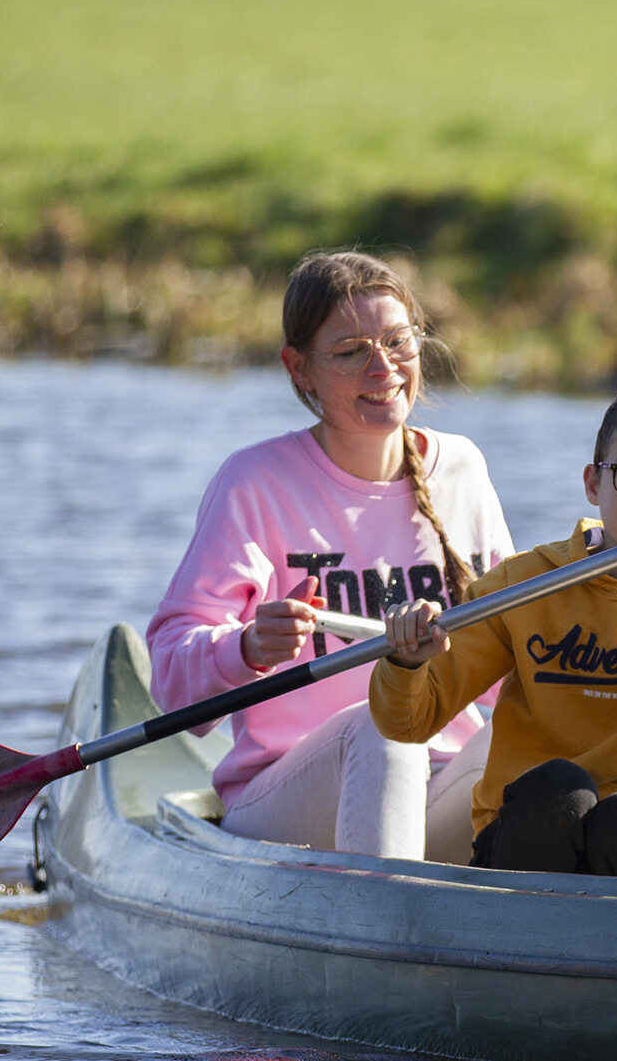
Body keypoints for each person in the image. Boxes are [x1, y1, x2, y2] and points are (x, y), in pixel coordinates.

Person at [145, 250, 511, 859]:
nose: (382, 369)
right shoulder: (254, 483)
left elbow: (506, 656)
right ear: (300, 369)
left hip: (438, 789)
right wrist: (246, 648)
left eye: (398, 342)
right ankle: (383, 929)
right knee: (385, 721)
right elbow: (170, 681)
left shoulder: (464, 468)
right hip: (289, 801)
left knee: (544, 730)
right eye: (349, 352)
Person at [370, 381, 617, 877]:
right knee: (558, 789)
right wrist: (406, 659)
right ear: (593, 483)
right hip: (533, 832)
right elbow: (408, 723)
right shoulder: (525, 583)